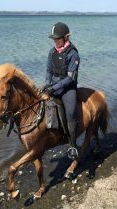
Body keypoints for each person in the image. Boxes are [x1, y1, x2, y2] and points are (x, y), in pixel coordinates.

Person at [42, 22, 80, 160]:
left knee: (70, 114)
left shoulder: (73, 54)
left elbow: (70, 79)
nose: (55, 42)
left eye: (58, 39)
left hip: (68, 88)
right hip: (53, 85)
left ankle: (73, 145)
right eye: (54, 39)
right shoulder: (52, 52)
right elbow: (48, 70)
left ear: (66, 37)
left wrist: (54, 88)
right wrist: (47, 84)